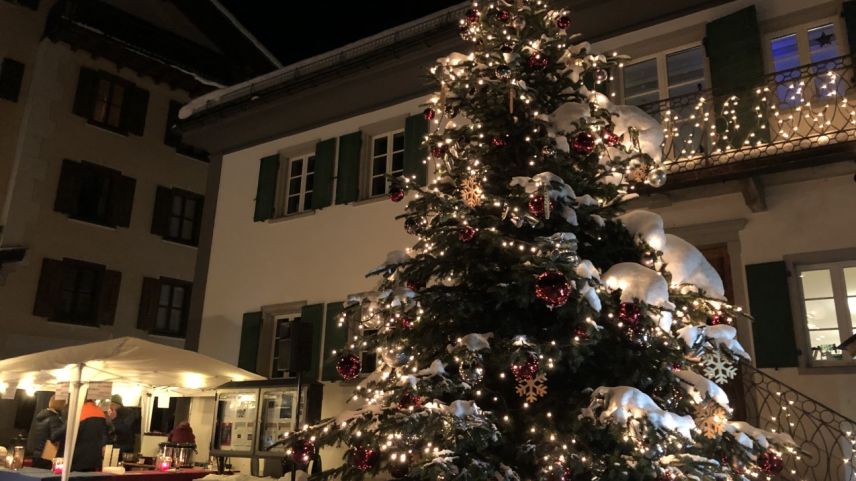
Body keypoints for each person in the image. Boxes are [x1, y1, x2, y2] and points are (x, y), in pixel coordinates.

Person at [54, 400, 108, 472]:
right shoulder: (100, 412)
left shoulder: (80, 411)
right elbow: (105, 434)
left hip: (78, 459)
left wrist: (53, 436)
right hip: (94, 459)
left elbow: (61, 432)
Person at [26, 396, 66, 469]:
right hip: (48, 455)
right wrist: (66, 426)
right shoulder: (54, 418)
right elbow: (54, 437)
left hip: (37, 454)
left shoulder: (41, 416)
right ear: (60, 404)